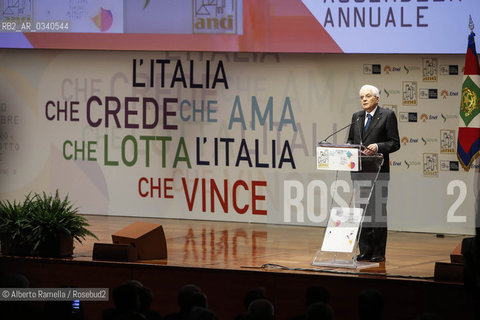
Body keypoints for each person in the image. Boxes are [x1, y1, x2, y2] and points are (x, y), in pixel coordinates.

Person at [347, 84, 400, 263]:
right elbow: (350, 141)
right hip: (359, 173)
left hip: (378, 173)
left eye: (368, 96)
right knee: (362, 212)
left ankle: (378, 252)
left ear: (377, 98)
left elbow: (394, 143)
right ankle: (365, 250)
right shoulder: (356, 117)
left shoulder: (387, 116)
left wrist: (378, 147)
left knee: (377, 213)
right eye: (361, 96)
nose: (364, 99)